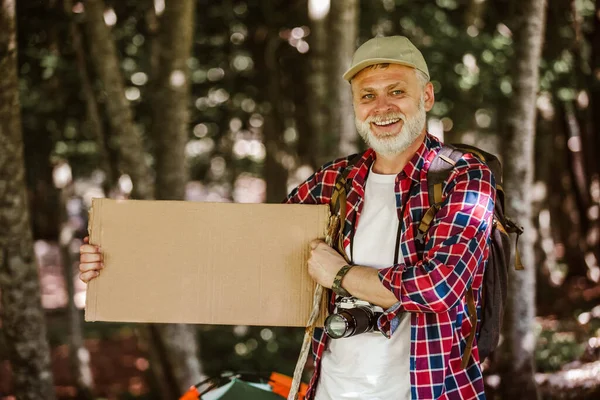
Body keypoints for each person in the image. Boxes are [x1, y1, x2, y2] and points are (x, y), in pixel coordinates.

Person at [80, 36, 495, 400]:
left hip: (431, 391)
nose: (381, 107)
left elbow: (441, 287)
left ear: (426, 96)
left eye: (396, 91)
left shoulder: (463, 177)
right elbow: (240, 254)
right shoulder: (336, 180)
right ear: (354, 105)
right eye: (367, 95)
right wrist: (116, 262)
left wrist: (340, 275)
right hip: (331, 389)